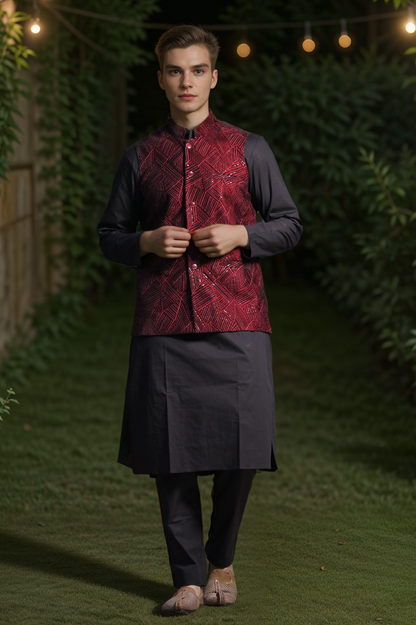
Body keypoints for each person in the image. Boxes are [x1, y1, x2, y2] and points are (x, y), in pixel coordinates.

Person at [97, 24, 303, 616]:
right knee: (170, 454)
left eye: (196, 70)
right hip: (162, 323)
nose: (185, 81)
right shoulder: (140, 157)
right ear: (161, 78)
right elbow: (109, 235)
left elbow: (288, 223)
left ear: (214, 76)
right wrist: (144, 241)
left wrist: (241, 234)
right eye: (174, 71)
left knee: (244, 448)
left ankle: (222, 560)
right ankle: (187, 579)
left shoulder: (249, 148)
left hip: (238, 316)